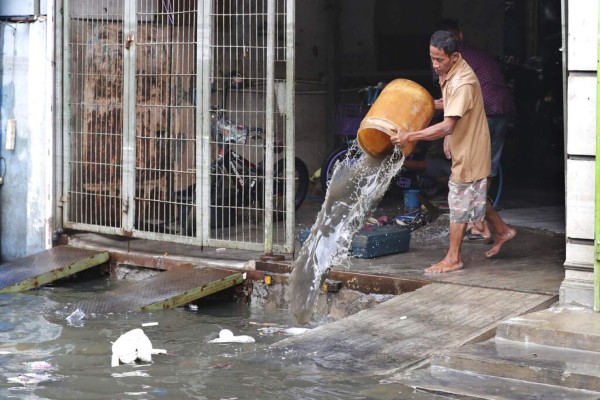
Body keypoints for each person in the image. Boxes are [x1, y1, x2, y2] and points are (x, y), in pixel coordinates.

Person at [390, 30, 516, 273]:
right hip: (463, 142)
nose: (435, 65)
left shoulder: (463, 81)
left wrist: (410, 136)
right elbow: (448, 105)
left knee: (458, 199)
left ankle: (453, 258)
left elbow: (448, 123)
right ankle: (503, 231)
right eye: (432, 58)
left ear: (455, 56)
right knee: (472, 194)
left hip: (471, 148)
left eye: (440, 60)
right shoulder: (449, 72)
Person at [435, 18, 516, 242]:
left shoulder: (452, 62)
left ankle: (478, 223)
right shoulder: (472, 53)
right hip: (501, 106)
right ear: (459, 34)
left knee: (476, 170)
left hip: (487, 111)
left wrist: (446, 132)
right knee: (484, 168)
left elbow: (450, 99)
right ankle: (484, 224)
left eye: (436, 58)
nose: (435, 62)